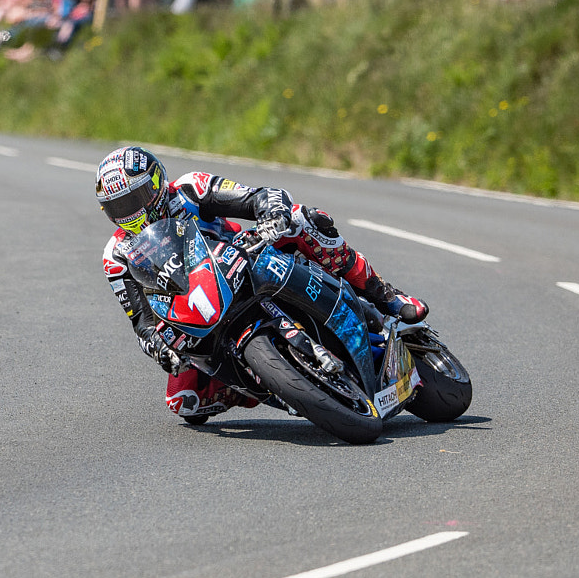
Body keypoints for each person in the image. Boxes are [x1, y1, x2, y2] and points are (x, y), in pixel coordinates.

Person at [96, 145, 428, 423]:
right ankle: (270, 383)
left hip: (251, 260)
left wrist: (272, 211)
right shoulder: (116, 254)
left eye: (134, 198)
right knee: (185, 402)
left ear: (156, 183)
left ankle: (384, 294)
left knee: (305, 221)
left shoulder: (190, 189)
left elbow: (255, 197)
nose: (130, 212)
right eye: (118, 207)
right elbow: (141, 319)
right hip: (200, 309)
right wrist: (157, 346)